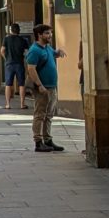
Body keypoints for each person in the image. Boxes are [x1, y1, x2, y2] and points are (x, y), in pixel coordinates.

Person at [25, 23, 67, 152]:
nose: (50, 35)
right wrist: (39, 85)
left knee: (49, 115)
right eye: (47, 33)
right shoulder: (34, 50)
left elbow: (52, 55)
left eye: (50, 33)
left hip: (51, 86)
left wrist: (58, 53)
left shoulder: (47, 47)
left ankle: (48, 139)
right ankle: (38, 141)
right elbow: (31, 68)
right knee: (40, 114)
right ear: (39, 35)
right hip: (42, 88)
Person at [1, 22, 29, 109]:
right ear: (19, 30)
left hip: (9, 64)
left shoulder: (6, 39)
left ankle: (8, 104)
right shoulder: (23, 40)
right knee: (21, 84)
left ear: (11, 30)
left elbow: (2, 50)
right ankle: (22, 104)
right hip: (19, 63)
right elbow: (27, 53)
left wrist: (6, 59)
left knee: (8, 84)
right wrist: (24, 59)